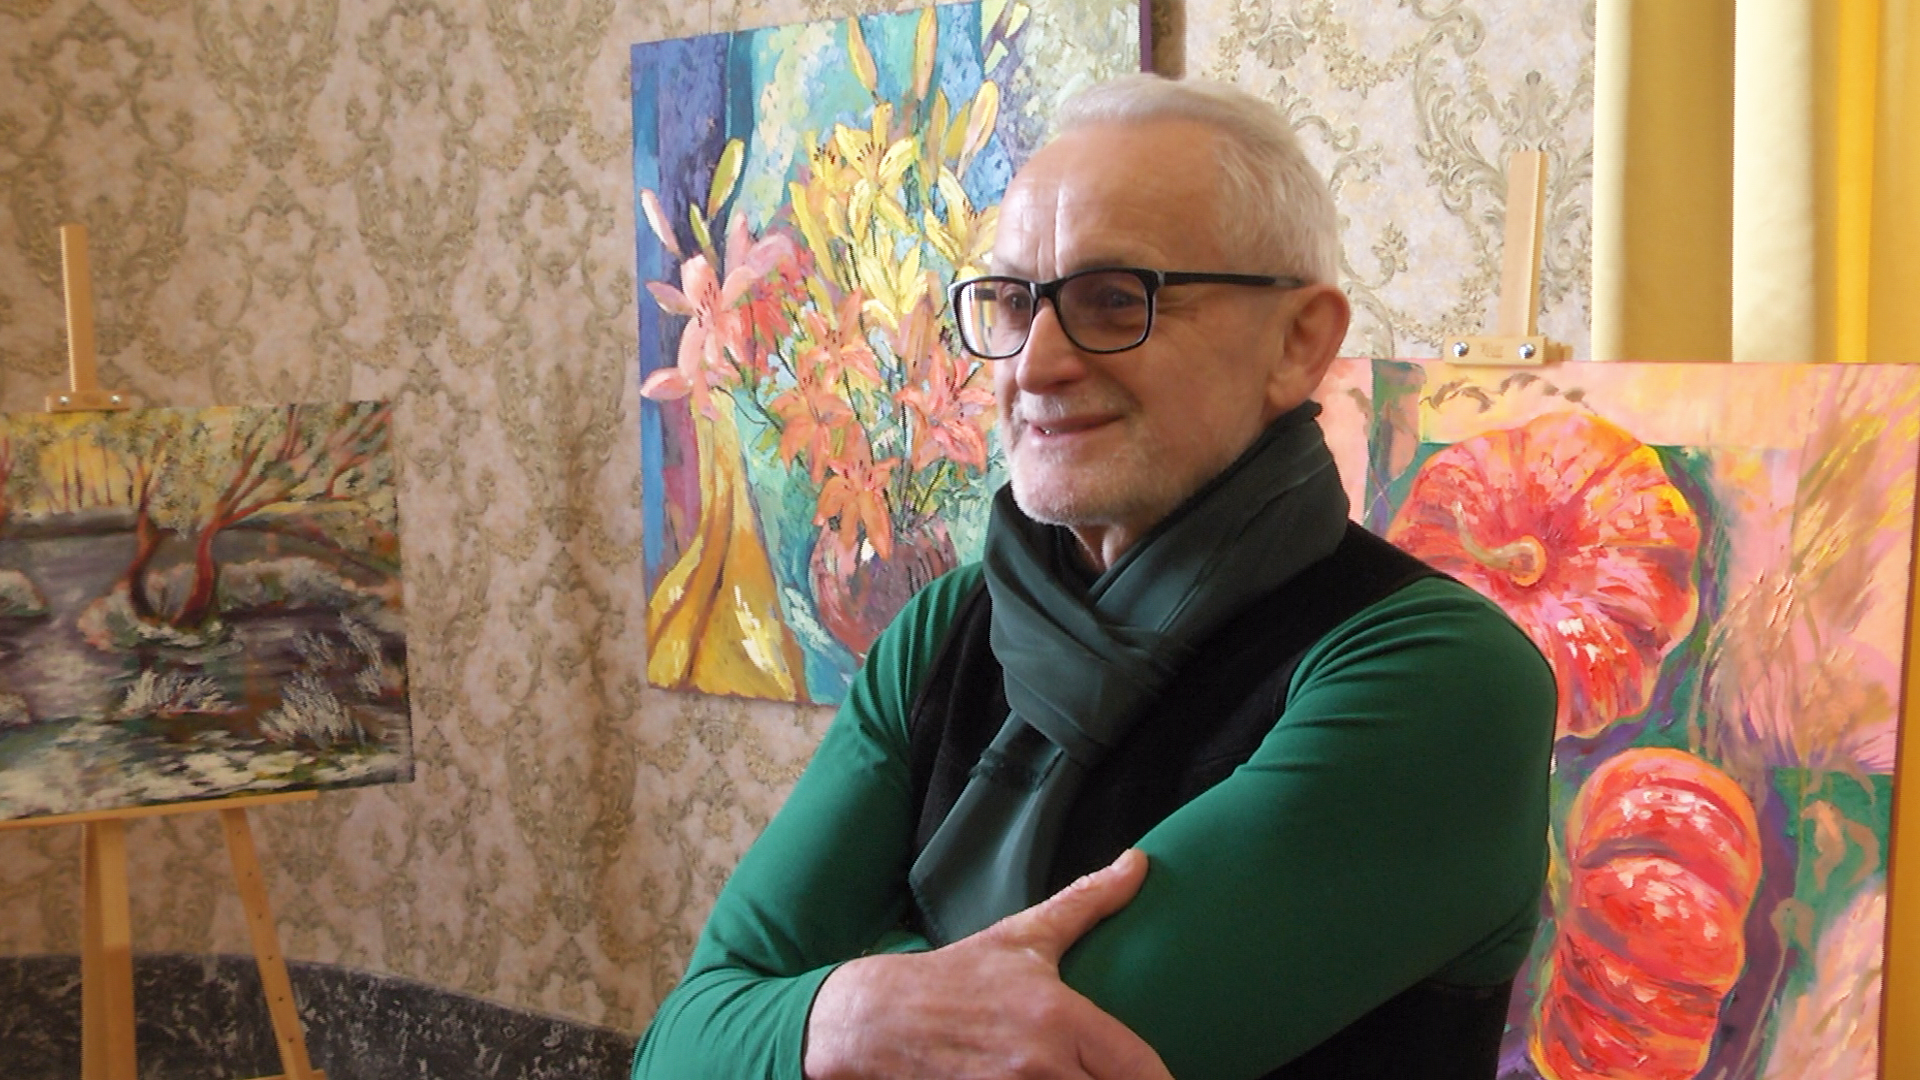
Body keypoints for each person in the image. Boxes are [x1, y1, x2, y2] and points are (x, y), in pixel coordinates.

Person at [631, 74, 1556, 1080]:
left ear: (1298, 344)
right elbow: (678, 1046)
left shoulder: (1434, 676)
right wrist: (852, 1017)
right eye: (1010, 301)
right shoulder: (948, 627)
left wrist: (804, 1007)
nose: (1034, 365)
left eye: (1116, 300)